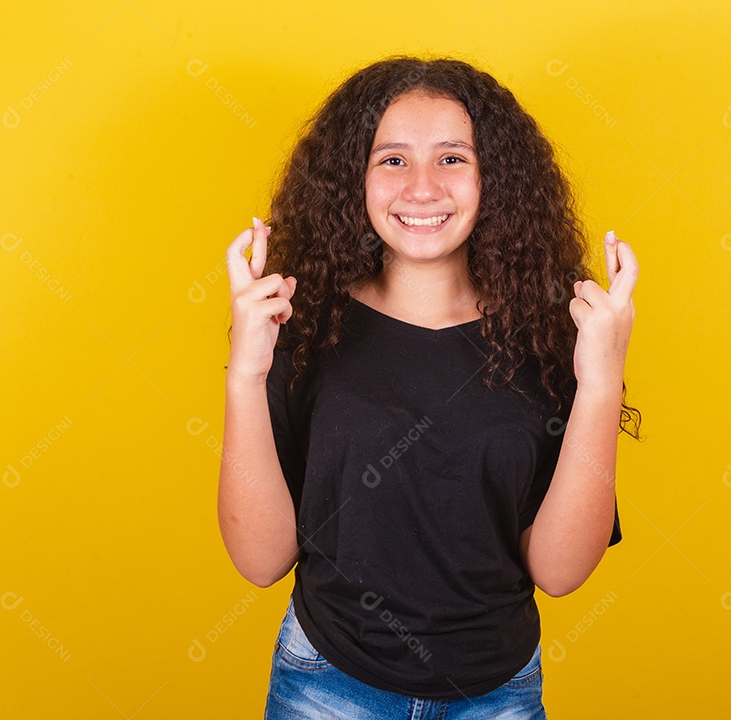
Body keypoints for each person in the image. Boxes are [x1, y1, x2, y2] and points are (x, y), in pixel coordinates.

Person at [218, 55, 641, 719]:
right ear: (354, 178)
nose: (422, 187)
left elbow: (560, 573)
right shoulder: (302, 326)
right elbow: (261, 560)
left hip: (497, 695)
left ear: (494, 177)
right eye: (392, 160)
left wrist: (602, 382)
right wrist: (245, 374)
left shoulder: (550, 335)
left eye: (451, 158)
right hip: (327, 688)